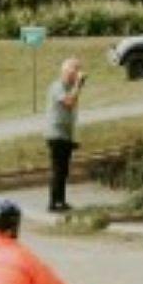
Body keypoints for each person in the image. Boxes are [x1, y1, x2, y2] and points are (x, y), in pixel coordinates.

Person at [43, 58, 86, 214]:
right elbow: (69, 102)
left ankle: (60, 200)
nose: (78, 74)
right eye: (75, 70)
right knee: (58, 168)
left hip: (66, 134)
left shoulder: (69, 87)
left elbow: (72, 105)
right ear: (67, 71)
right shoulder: (57, 86)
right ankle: (54, 202)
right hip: (56, 133)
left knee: (64, 169)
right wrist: (77, 86)